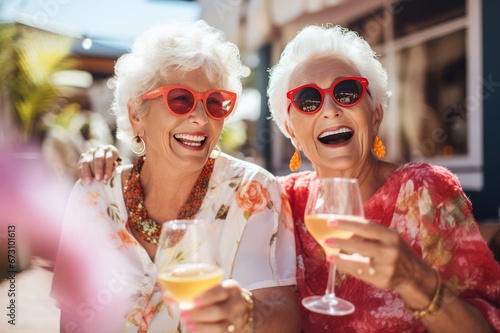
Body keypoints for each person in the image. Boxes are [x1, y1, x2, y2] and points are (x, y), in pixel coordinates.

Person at [77, 25, 500, 332]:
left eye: (347, 92)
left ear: (376, 113)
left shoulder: (425, 192)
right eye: (309, 100)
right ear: (290, 128)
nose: (330, 109)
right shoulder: (282, 198)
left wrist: (414, 280)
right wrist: (117, 159)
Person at [51, 20, 300, 333]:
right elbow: (73, 319)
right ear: (136, 114)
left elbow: (284, 314)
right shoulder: (93, 195)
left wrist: (248, 312)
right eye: (180, 99)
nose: (200, 117)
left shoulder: (252, 192)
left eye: (213, 103)